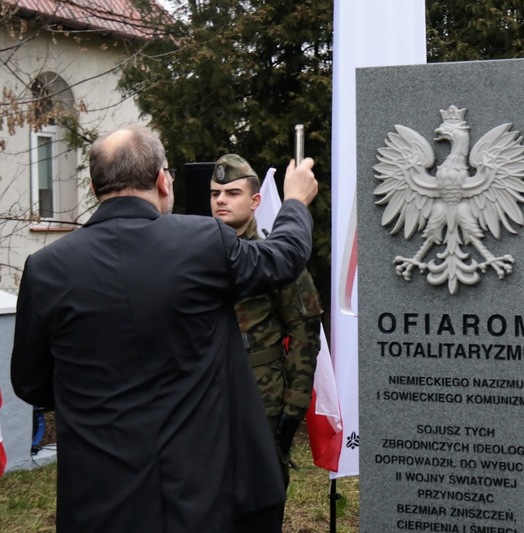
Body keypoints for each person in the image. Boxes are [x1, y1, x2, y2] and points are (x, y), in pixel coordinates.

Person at [10, 125, 318, 533]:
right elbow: (284, 257)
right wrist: (294, 201)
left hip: (98, 497)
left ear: (94, 187)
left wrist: (92, 393)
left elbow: (31, 383)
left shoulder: (45, 269)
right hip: (200, 493)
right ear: (161, 181)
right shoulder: (204, 241)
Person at [210, 154, 322, 521]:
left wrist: (294, 405)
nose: (221, 200)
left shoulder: (275, 258)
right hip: (210, 395)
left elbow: (305, 331)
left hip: (264, 395)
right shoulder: (197, 256)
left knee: (261, 499)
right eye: (215, 193)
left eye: (232, 193)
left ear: (255, 201)